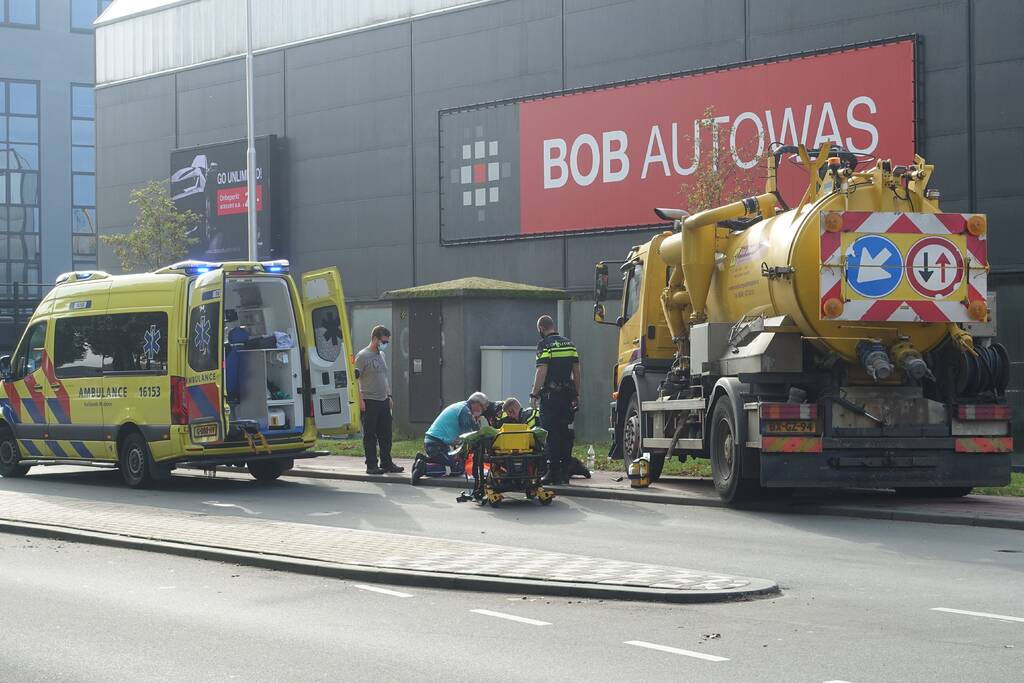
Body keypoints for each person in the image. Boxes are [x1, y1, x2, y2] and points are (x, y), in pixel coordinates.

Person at [530, 315, 581, 485]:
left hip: (550, 397)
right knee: (564, 433)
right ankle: (566, 471)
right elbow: (577, 372)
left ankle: (553, 472)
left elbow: (541, 371)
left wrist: (534, 394)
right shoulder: (569, 344)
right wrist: (576, 394)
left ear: (540, 329)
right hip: (567, 396)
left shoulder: (544, 345)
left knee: (550, 433)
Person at [355, 325, 403, 475]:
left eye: (387, 342)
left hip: (383, 401)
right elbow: (354, 380)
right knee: (370, 435)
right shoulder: (362, 356)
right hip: (369, 400)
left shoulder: (381, 355)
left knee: (386, 434)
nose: (385, 344)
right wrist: (360, 400)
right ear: (375, 338)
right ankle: (371, 465)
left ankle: (387, 463)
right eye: (383, 341)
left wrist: (389, 396)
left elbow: (384, 377)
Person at [412, 391, 489, 483]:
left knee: (449, 461)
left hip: (433, 442)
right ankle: (424, 468)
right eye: (482, 408)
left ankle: (424, 459)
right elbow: (467, 437)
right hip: (437, 444)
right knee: (457, 468)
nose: (482, 411)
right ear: (476, 403)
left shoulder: (463, 407)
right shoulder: (465, 412)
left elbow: (475, 428)